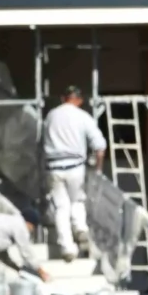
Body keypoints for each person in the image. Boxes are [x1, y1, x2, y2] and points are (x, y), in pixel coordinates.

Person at [40, 85, 107, 258]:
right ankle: (80, 228)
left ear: (63, 98)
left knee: (61, 207)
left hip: (54, 167)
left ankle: (67, 247)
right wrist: (98, 169)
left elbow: (39, 144)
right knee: (77, 200)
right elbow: (100, 147)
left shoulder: (51, 116)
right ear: (80, 100)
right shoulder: (82, 116)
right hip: (75, 167)